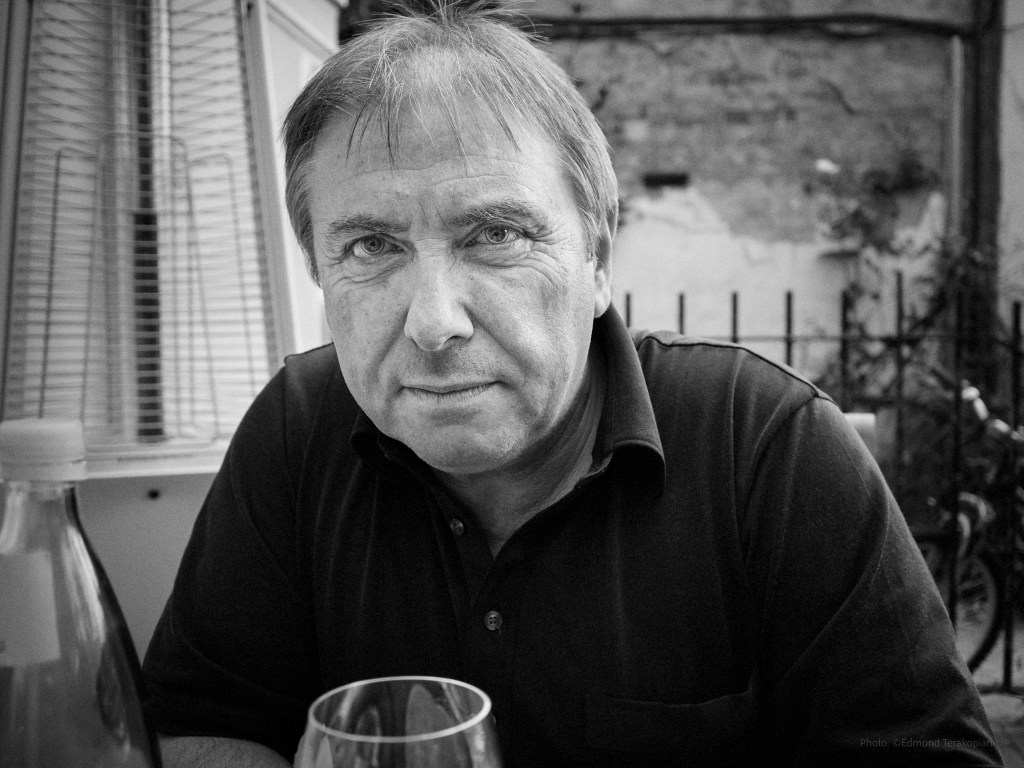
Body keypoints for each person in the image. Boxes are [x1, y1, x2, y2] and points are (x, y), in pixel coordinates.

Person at [142, 2, 1003, 766]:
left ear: (597, 258)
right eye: (372, 246)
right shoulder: (295, 430)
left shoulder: (767, 447)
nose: (434, 321)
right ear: (319, 271)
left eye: (495, 235)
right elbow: (194, 723)